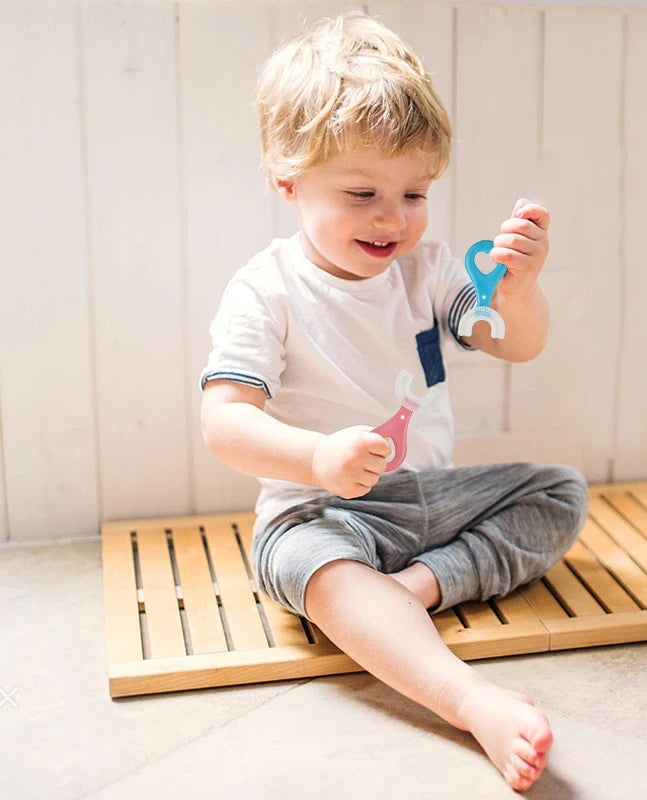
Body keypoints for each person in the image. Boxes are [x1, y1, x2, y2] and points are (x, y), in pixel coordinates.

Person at [200, 12, 588, 792]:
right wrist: (314, 455)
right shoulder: (266, 290)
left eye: (414, 192)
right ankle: (469, 701)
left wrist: (522, 290)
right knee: (312, 566)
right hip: (321, 510)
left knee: (559, 493)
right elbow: (223, 423)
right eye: (362, 193)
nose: (392, 217)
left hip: (426, 500)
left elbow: (517, 343)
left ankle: (409, 593)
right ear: (287, 180)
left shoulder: (431, 271)